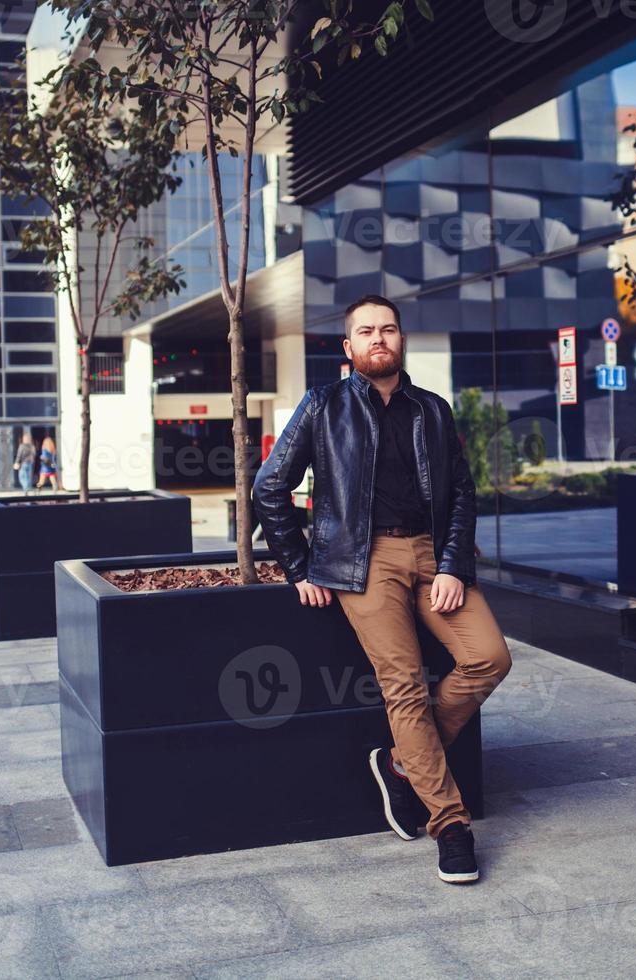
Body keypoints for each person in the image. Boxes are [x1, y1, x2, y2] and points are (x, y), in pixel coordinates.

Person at [253, 294, 511, 885]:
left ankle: (402, 760)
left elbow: (462, 493)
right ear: (348, 347)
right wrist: (300, 567)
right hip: (363, 564)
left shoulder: (433, 410)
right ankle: (449, 824)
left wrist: (450, 564)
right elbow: (270, 488)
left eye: (388, 329)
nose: (378, 338)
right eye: (365, 331)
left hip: (431, 556)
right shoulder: (324, 406)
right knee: (405, 688)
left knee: (488, 658)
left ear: (401, 340)